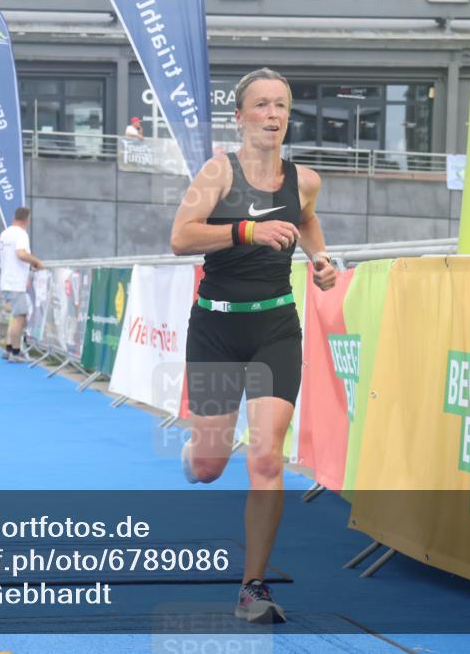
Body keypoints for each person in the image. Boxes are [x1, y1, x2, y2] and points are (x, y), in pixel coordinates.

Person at [170, 68, 337, 624]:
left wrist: (319, 260)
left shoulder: (304, 180)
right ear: (240, 116)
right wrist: (245, 230)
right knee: (213, 465)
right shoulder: (218, 171)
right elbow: (181, 237)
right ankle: (195, 453)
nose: (272, 115)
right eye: (261, 105)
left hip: (274, 329)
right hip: (217, 330)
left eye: (281, 106)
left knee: (266, 456)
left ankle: (253, 589)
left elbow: (307, 221)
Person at [0, 207, 44, 362]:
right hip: (16, 282)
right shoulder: (21, 234)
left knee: (14, 316)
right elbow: (21, 253)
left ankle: (9, 348)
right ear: (26, 219)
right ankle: (15, 353)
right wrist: (36, 262)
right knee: (20, 316)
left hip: (6, 281)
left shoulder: (5, 233)